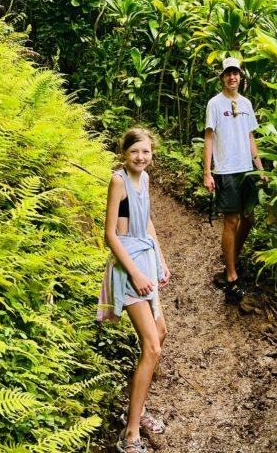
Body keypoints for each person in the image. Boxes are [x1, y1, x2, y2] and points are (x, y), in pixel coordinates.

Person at [97, 127, 170, 453]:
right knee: (152, 348)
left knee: (161, 333)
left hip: (146, 260)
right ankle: (129, 436)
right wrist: (137, 273)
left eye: (146, 152)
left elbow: (147, 223)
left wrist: (161, 261)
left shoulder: (145, 180)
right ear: (124, 154)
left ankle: (137, 411)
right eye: (135, 152)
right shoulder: (119, 181)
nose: (141, 157)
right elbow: (110, 235)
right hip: (128, 270)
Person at [203, 56, 265, 304]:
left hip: (246, 169)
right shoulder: (214, 104)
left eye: (236, 73)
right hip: (225, 169)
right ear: (222, 77)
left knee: (248, 219)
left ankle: (232, 259)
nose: (232, 77)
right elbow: (209, 137)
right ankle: (231, 276)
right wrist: (207, 172)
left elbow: (250, 137)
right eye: (228, 73)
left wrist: (260, 168)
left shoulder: (247, 104)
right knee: (231, 220)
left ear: (241, 77)